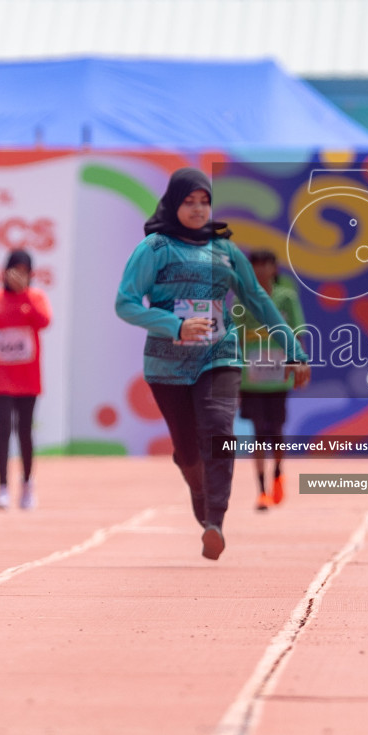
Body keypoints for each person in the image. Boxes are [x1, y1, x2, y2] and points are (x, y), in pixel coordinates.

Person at [116, 167, 309, 561]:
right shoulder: (154, 249)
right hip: (167, 367)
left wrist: (293, 349)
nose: (199, 208)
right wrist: (175, 325)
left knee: (220, 431)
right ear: (174, 202)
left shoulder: (225, 250)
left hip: (219, 356)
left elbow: (258, 300)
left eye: (205, 201)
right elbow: (127, 303)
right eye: (190, 201)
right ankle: (201, 493)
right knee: (188, 452)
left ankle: (215, 523)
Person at [0, 249, 50, 512]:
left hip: (28, 379)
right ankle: (2, 487)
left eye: (24, 271)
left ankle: (27, 484)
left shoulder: (36, 298)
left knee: (24, 432)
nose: (18, 275)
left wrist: (25, 293)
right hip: (1, 380)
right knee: (3, 430)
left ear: (30, 274)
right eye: (14, 270)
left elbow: (44, 321)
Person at [237, 249, 305, 512]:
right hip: (251, 379)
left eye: (266, 265)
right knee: (257, 434)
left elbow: (297, 332)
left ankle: (278, 472)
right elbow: (233, 338)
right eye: (255, 265)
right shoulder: (242, 300)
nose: (261, 270)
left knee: (275, 432)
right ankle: (261, 490)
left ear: (274, 269)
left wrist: (298, 362)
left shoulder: (286, 299)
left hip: (278, 378)